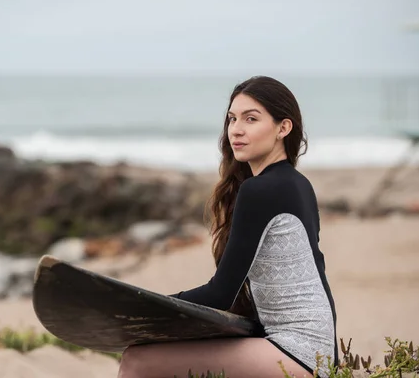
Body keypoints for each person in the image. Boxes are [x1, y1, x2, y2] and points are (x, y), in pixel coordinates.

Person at [117, 76, 338, 378]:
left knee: (137, 360)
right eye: (232, 118)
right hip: (319, 351)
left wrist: (152, 305)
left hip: (297, 352)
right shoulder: (298, 185)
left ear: (282, 128)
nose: (236, 129)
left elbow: (221, 294)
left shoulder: (261, 191)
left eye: (251, 119)